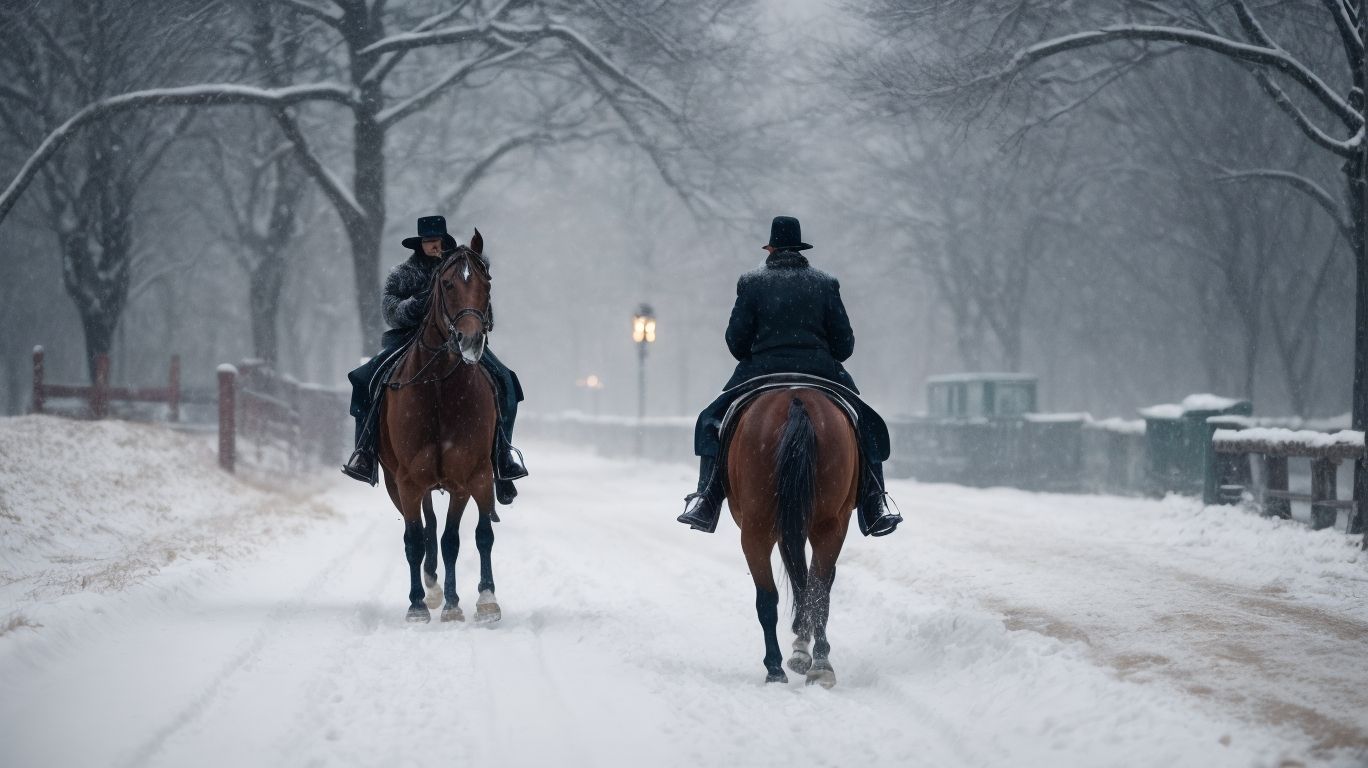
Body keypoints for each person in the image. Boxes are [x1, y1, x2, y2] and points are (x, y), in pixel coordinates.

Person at [677, 215, 902, 537]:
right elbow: (844, 344)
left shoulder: (752, 283)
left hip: (761, 370)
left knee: (713, 420)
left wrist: (763, 352)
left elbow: (736, 342)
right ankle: (875, 502)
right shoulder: (825, 283)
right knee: (866, 422)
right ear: (800, 249)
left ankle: (706, 498)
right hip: (821, 370)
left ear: (770, 248)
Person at [342, 215, 527, 503]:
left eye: (437, 241)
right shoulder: (402, 275)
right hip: (407, 340)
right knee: (364, 379)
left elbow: (482, 305)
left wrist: (475, 323)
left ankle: (503, 455)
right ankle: (364, 452)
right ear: (420, 244)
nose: (433, 246)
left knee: (506, 381)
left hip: (461, 340)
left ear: (444, 242)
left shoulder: (462, 270)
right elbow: (389, 312)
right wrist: (416, 305)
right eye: (428, 242)